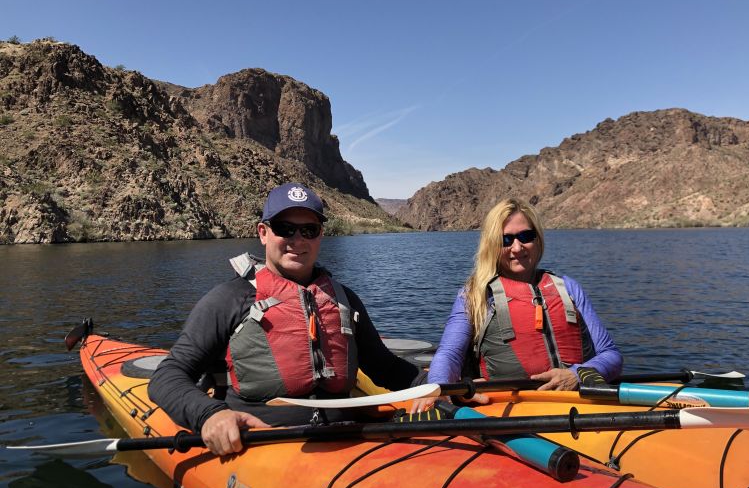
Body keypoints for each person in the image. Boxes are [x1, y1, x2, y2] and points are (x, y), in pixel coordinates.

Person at [149, 183, 421, 455]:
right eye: (285, 228)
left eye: (309, 230)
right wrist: (209, 414)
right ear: (263, 233)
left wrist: (431, 386)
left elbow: (384, 366)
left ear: (320, 235)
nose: (298, 239)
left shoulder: (344, 299)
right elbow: (168, 375)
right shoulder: (229, 300)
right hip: (261, 445)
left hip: (347, 439)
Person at [415, 198, 622, 411]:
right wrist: (437, 390)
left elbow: (610, 354)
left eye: (526, 236)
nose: (517, 247)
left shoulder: (569, 288)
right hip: (508, 411)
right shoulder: (474, 295)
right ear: (492, 244)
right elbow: (449, 354)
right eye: (506, 239)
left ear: (538, 239)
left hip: (577, 406)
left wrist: (576, 374)